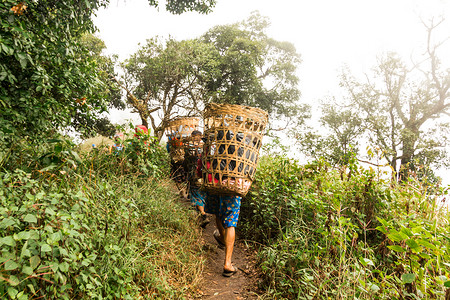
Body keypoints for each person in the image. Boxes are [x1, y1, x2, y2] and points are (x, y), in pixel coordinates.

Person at [185, 130, 210, 228]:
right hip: (205, 174)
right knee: (202, 193)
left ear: (193, 136)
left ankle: (203, 215)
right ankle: (201, 216)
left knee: (196, 194)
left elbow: (186, 159)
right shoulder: (205, 146)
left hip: (194, 173)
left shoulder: (189, 146)